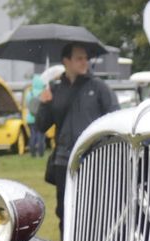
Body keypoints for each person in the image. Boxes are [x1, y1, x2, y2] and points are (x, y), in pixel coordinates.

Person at [35, 44, 118, 227]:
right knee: (66, 214)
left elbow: (116, 118)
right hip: (64, 161)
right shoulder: (55, 90)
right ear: (66, 61)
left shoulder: (99, 88)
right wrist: (45, 103)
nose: (84, 62)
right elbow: (41, 126)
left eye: (85, 58)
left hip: (95, 160)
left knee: (95, 213)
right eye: (79, 58)